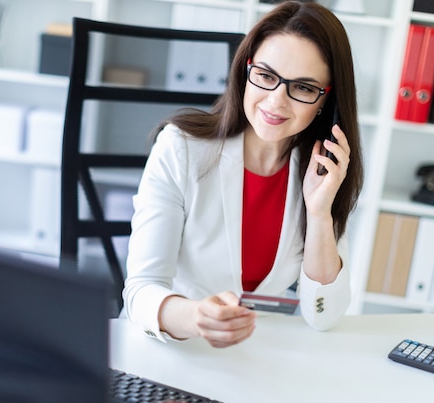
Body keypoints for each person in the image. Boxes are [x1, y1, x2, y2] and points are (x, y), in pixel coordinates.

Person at [122, 1, 364, 348]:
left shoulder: (323, 170)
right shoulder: (181, 148)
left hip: (255, 356)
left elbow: (323, 315)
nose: (276, 102)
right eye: (266, 76)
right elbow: (140, 291)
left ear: (328, 99)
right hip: (173, 347)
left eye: (303, 88)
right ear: (245, 71)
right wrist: (198, 318)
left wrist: (320, 213)